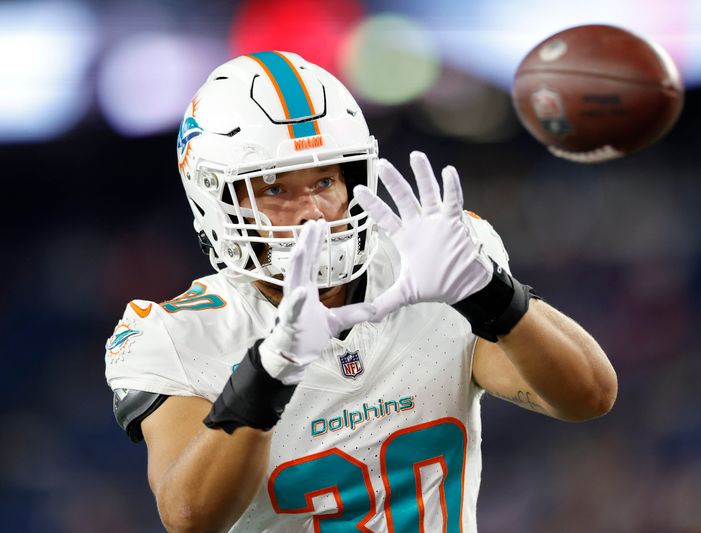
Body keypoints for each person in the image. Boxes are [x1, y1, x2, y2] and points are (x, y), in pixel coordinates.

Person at [104, 50, 617, 533]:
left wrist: (489, 293)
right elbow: (190, 516)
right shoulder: (180, 331)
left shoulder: (422, 270)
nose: (312, 212)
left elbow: (588, 396)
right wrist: (270, 371)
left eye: (325, 181)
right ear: (214, 199)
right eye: (275, 189)